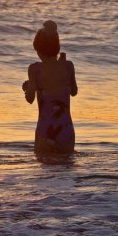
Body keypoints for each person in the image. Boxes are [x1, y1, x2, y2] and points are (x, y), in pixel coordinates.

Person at [22, 20, 78, 154]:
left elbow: (30, 99)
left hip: (45, 131)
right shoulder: (68, 66)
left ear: (39, 49)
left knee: (45, 172)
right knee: (65, 171)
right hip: (66, 130)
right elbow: (74, 92)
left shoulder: (35, 69)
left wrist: (27, 87)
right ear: (57, 47)